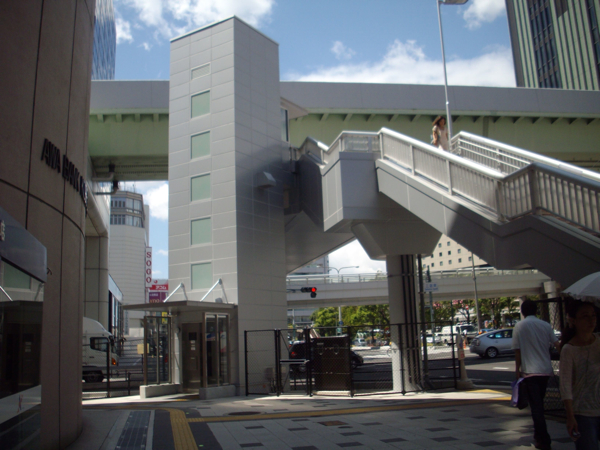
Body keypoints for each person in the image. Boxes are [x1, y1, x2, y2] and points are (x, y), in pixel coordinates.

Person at [512, 299, 560, 450]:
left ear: (522, 312)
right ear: (536, 310)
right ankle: (540, 436)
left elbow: (518, 351)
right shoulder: (545, 325)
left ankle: (543, 439)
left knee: (536, 407)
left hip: (529, 372)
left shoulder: (519, 326)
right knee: (539, 404)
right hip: (545, 370)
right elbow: (557, 344)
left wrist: (517, 370)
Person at [559, 300, 600, 449]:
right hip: (583, 413)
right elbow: (565, 385)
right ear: (573, 320)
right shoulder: (569, 349)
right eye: (585, 316)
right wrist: (570, 416)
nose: (591, 320)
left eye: (593, 315)